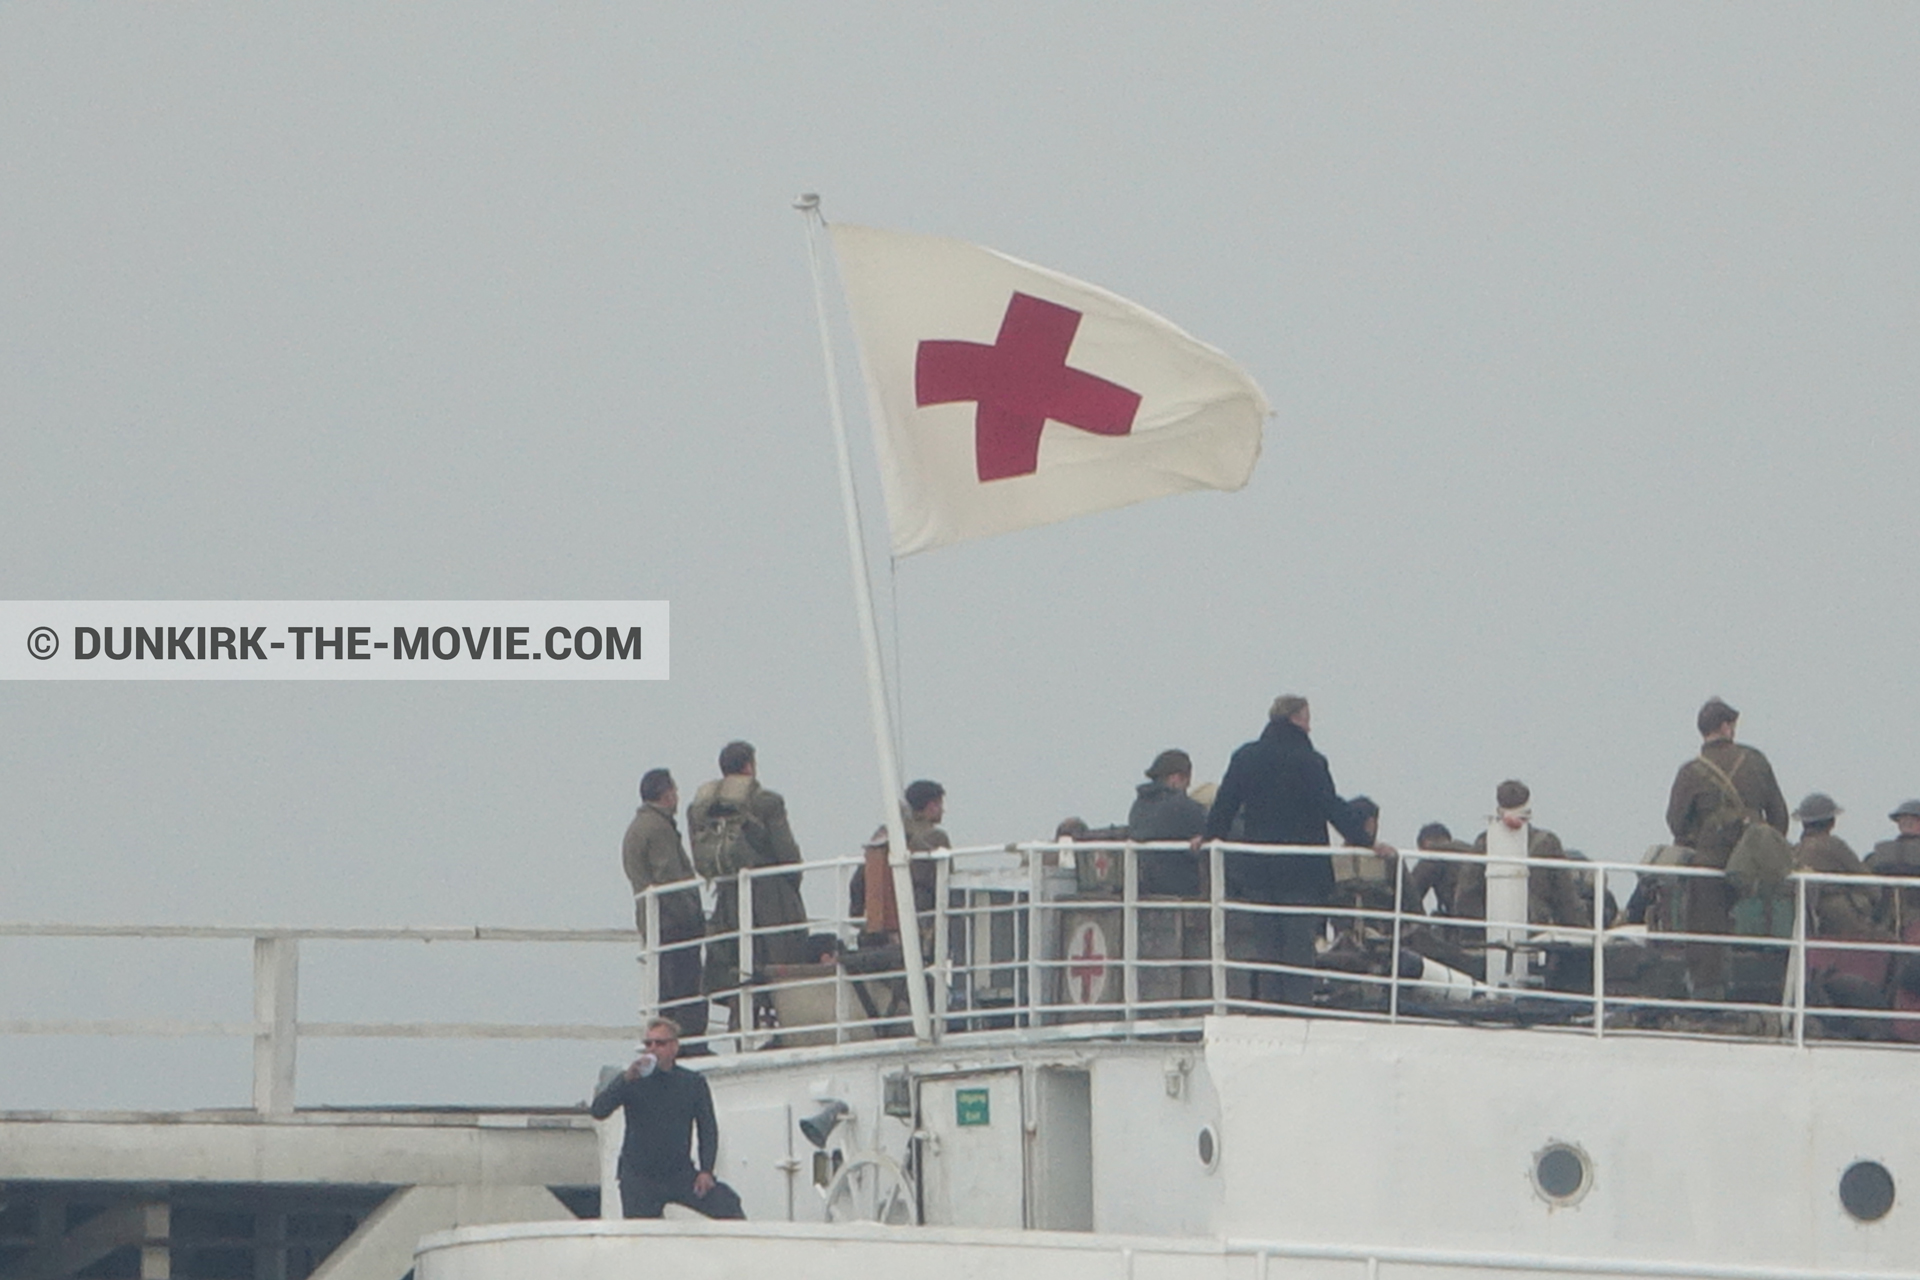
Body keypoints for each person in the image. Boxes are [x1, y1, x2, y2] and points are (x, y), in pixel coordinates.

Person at [1199, 695, 1391, 1006]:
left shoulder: (1245, 757)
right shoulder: (1311, 762)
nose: (1311, 725)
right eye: (1308, 717)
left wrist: (1208, 836)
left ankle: (1269, 1005)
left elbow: (1225, 806)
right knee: (1298, 944)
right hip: (1302, 870)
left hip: (1259, 869)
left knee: (1267, 943)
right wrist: (1367, 841)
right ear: (1297, 719)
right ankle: (1296, 1007)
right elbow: (1333, 807)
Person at [1665, 698, 1789, 1002]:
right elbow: (1780, 818)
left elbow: (1675, 822)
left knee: (1705, 933)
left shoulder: (1691, 771)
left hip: (1710, 863)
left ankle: (1708, 995)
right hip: (1755, 866)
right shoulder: (1756, 761)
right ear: (1726, 726)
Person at [688, 741, 810, 1008]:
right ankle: (779, 1022)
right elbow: (786, 853)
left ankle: (740, 1021)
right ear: (748, 766)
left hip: (728, 899)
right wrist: (793, 885)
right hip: (770, 899)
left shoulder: (702, 807)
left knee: (737, 970)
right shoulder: (767, 802)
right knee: (780, 967)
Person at [589, 1017, 745, 1220]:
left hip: (678, 1173)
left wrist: (706, 1171)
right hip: (639, 1177)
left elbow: (707, 1128)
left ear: (674, 1047)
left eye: (660, 1043)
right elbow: (599, 1111)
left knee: (727, 1202)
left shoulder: (692, 1083)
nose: (652, 1049)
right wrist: (624, 1080)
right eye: (648, 1044)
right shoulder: (633, 1081)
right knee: (644, 1236)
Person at [621, 768, 708, 1043]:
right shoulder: (658, 828)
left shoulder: (638, 827)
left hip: (656, 924)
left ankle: (669, 1041)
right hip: (673, 925)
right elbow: (668, 877)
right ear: (666, 793)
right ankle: (687, 1043)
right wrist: (693, 916)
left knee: (665, 990)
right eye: (675, 790)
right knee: (683, 989)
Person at [1469, 780, 1589, 928]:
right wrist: (1583, 932)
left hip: (1489, 933)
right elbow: (1566, 899)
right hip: (1536, 930)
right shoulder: (1548, 844)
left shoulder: (1482, 843)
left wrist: (1471, 940)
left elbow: (1466, 895)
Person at [849, 779, 951, 933]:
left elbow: (858, 880)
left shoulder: (884, 834)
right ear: (931, 806)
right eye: (940, 805)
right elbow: (948, 880)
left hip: (882, 916)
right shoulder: (937, 837)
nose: (943, 810)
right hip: (920, 916)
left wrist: (856, 914)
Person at [1793, 793, 1880, 940]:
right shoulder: (1834, 845)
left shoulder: (1796, 850)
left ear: (1803, 823)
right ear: (1831, 822)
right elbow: (1867, 882)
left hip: (1804, 918)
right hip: (1838, 917)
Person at [1128, 749, 1207, 897]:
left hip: (1145, 890)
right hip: (1181, 890)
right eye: (1186, 783)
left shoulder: (1137, 807)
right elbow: (1216, 830)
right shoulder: (1184, 807)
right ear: (1176, 778)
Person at [1865, 799, 1920, 934]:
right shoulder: (1881, 853)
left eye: (1912, 819)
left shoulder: (1880, 853)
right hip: (1888, 918)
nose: (1907, 823)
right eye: (1904, 819)